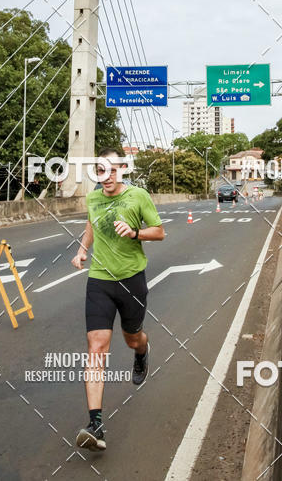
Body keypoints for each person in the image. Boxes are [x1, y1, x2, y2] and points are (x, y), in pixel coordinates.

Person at [71, 147, 165, 451]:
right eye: (101, 170)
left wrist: (135, 233)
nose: (107, 175)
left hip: (131, 280)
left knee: (132, 338)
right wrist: (82, 249)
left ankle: (142, 351)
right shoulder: (93, 198)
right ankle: (95, 424)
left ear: (122, 170)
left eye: (113, 169)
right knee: (96, 346)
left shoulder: (138, 196)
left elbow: (159, 232)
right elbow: (91, 224)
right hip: (100, 280)